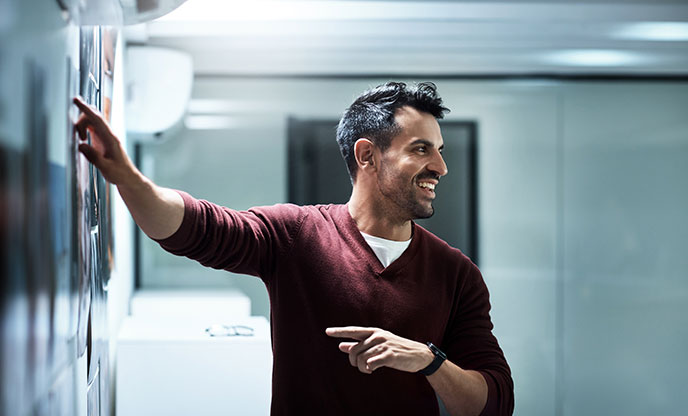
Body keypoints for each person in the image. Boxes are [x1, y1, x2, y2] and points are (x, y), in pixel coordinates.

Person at [73, 81, 514, 416]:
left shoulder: (456, 274)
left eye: (439, 150)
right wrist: (129, 180)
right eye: (422, 149)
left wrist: (427, 360)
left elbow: (494, 400)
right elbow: (196, 228)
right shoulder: (296, 235)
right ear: (367, 156)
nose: (441, 166)